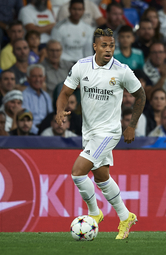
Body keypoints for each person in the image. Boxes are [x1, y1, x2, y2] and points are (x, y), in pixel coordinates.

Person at [55, 28, 146, 239]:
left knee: (78, 173)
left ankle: (94, 213)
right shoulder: (82, 66)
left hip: (109, 132)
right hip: (89, 132)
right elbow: (65, 93)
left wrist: (131, 125)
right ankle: (125, 217)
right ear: (95, 46)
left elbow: (140, 95)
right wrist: (60, 110)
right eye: (104, 45)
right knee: (101, 177)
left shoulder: (122, 70)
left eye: (111, 45)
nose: (108, 49)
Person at [143, 42, 166, 107]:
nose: (158, 55)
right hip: (155, 106)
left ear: (165, 54)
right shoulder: (144, 71)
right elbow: (149, 95)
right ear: (150, 55)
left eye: (160, 52)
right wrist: (163, 77)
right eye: (154, 52)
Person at [22, 64, 53, 134]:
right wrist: (38, 132)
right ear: (28, 79)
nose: (38, 79)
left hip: (46, 131)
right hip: (31, 132)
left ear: (44, 78)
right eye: (34, 76)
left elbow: (51, 117)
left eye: (40, 76)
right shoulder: (24, 95)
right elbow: (26, 119)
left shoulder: (46, 96)